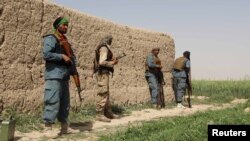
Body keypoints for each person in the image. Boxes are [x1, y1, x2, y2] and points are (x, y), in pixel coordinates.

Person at [42, 16, 80, 136]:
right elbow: (46, 54)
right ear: (57, 26)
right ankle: (47, 128)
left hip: (64, 75)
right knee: (52, 101)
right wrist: (61, 57)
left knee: (65, 103)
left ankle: (64, 127)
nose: (65, 27)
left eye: (67, 25)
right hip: (54, 75)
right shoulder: (51, 38)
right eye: (63, 24)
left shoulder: (65, 40)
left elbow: (71, 57)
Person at [94, 35, 119, 122]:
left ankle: (108, 112)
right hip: (102, 73)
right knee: (103, 92)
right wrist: (112, 62)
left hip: (104, 73)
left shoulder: (104, 48)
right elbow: (102, 62)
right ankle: (99, 114)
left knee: (106, 93)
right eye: (110, 40)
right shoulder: (104, 48)